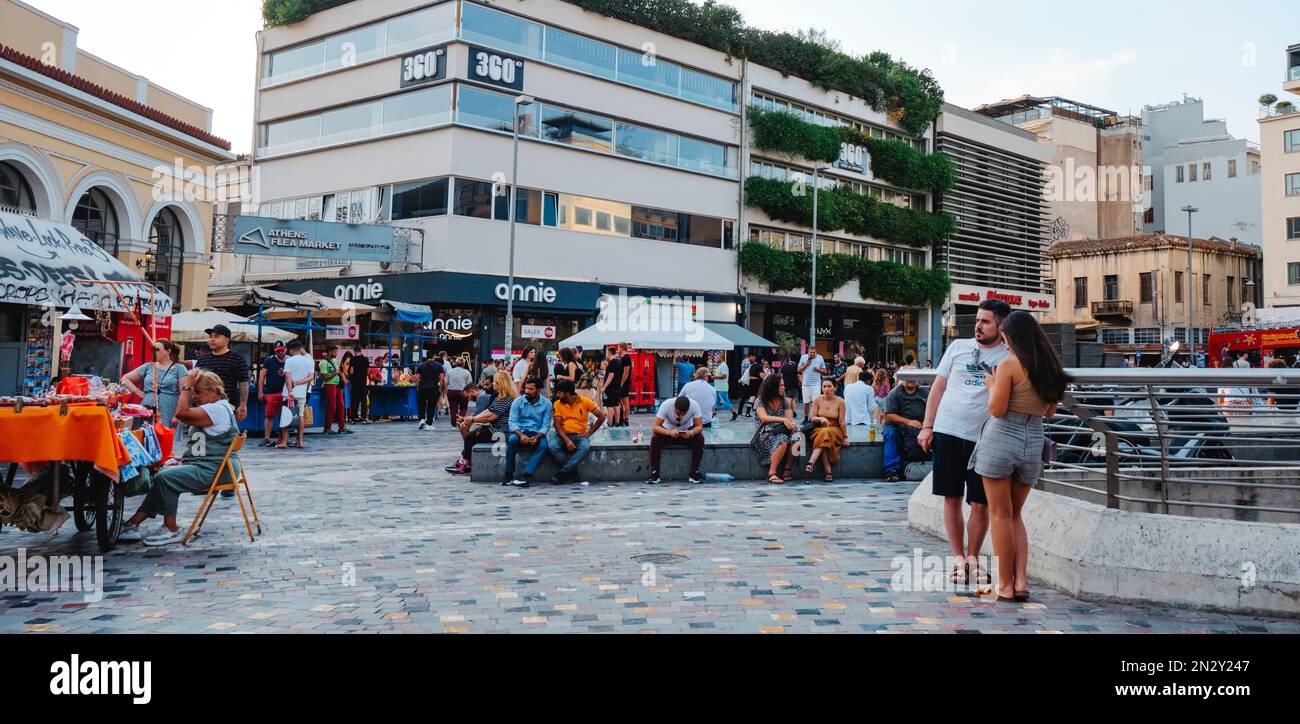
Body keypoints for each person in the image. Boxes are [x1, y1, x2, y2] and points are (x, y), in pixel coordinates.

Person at [972, 310, 1067, 603]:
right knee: (1015, 514)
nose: (1004, 341)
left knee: (999, 513)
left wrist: (992, 385)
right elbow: (1050, 411)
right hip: (1033, 440)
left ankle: (1005, 585)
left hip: (1002, 438)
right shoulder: (1050, 367)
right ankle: (1022, 580)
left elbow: (997, 410)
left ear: (1012, 336)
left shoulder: (1009, 364)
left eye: (1005, 336)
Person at [918, 299, 1012, 587]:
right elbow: (938, 387)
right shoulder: (957, 348)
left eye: (986, 321)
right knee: (951, 498)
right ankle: (958, 558)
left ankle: (973, 557)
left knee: (981, 504)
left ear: (1000, 326)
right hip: (948, 430)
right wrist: (927, 426)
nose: (978, 326)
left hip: (986, 438)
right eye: (978, 320)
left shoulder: (1009, 356)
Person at [118, 369, 241, 546]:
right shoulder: (219, 407)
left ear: (213, 392)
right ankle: (134, 523)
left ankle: (171, 528)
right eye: (192, 392)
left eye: (197, 392)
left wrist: (185, 386)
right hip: (215, 466)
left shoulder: (216, 409)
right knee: (164, 475)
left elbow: (181, 413)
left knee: (165, 478)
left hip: (215, 470)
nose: (194, 396)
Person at [447, 374, 515, 476]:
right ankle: (464, 461)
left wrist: (473, 419)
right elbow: (488, 411)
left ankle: (466, 465)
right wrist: (469, 419)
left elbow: (490, 416)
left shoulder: (506, 399)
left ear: (501, 384)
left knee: (471, 437)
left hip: (501, 432)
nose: (493, 384)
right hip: (495, 428)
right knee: (472, 435)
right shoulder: (500, 397)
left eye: (495, 382)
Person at [186, 324, 249, 425]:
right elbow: (195, 382)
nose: (211, 339)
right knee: (200, 437)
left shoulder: (237, 359)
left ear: (226, 340)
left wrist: (243, 405)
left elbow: (243, 384)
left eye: (216, 336)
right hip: (203, 407)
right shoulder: (203, 359)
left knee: (223, 438)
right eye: (210, 336)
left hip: (226, 407)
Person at [121, 338, 184, 434]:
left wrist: (177, 415)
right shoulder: (148, 366)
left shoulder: (179, 368)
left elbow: (183, 394)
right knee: (145, 436)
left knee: (165, 439)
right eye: (153, 350)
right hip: (147, 407)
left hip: (169, 410)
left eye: (157, 349)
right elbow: (125, 379)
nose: (154, 352)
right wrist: (138, 392)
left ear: (168, 351)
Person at [548, 379, 606, 483]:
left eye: (559, 392)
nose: (557, 394)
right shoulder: (557, 403)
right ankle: (572, 473)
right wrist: (567, 441)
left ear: (567, 393)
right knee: (552, 446)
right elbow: (557, 425)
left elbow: (601, 417)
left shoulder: (584, 401)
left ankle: (563, 472)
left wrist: (589, 433)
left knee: (584, 447)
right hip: (563, 435)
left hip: (580, 434)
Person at [504, 377, 553, 487]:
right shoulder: (518, 401)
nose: (527, 391)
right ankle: (508, 474)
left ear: (539, 390)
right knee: (512, 441)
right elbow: (512, 422)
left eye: (531, 389)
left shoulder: (547, 404)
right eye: (526, 388)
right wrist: (521, 435)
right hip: (519, 431)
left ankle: (526, 474)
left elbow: (546, 425)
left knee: (544, 446)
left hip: (537, 433)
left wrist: (537, 437)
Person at [646, 395, 705, 485]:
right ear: (674, 407)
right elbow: (655, 427)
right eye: (678, 413)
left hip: (686, 432)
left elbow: (699, 427)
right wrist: (669, 432)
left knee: (700, 438)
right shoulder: (666, 405)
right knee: (655, 439)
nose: (680, 416)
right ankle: (655, 472)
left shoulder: (694, 405)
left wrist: (691, 432)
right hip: (668, 431)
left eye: (683, 414)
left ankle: (694, 472)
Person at [882, 373, 930, 482]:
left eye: (913, 377)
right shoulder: (894, 393)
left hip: (920, 425)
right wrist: (909, 422)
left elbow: (931, 410)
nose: (911, 380)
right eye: (908, 377)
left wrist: (926, 424)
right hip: (896, 425)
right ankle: (891, 470)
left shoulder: (925, 392)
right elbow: (889, 415)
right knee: (890, 434)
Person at [753, 373, 797, 484]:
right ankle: (772, 473)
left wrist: (792, 424)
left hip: (781, 430)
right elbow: (763, 418)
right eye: (781, 385)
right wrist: (782, 420)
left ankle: (787, 468)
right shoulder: (760, 400)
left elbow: (789, 417)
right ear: (772, 387)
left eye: (783, 385)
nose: (784, 387)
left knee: (798, 437)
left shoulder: (784, 401)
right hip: (765, 434)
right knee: (782, 439)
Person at [804, 379, 848, 482]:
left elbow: (842, 421)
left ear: (835, 388)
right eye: (824, 386)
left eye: (829, 386)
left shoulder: (840, 401)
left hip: (835, 429)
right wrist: (821, 418)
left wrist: (845, 436)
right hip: (819, 429)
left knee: (826, 434)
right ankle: (828, 473)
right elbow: (813, 418)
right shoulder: (817, 400)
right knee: (825, 436)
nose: (826, 389)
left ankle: (811, 462)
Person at [280, 340, 315, 450]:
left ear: (290, 350)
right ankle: (300, 441)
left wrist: (290, 391)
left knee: (286, 415)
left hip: (289, 393)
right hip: (302, 392)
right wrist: (301, 384)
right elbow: (310, 377)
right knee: (300, 415)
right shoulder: (308, 361)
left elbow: (287, 377)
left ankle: (284, 441)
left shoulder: (289, 361)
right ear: (300, 349)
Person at [254, 343, 288, 447]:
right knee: (269, 415)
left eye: (282, 350)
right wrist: (260, 391)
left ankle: (281, 438)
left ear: (285, 349)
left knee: (283, 416)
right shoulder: (269, 360)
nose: (280, 353)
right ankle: (267, 438)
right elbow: (262, 376)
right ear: (275, 351)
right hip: (271, 392)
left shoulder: (289, 360)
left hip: (284, 392)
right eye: (278, 351)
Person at [318, 346, 350, 435]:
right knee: (331, 407)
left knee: (341, 406)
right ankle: (327, 428)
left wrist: (343, 378)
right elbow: (324, 377)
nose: (336, 354)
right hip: (329, 385)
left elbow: (339, 371)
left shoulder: (335, 361)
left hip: (337, 385)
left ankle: (342, 427)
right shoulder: (323, 363)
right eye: (335, 352)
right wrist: (334, 374)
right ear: (330, 352)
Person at [414, 354, 444, 430]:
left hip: (422, 387)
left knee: (421, 404)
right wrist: (440, 388)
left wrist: (417, 387)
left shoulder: (421, 366)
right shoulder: (439, 366)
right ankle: (429, 424)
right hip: (433, 388)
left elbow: (416, 378)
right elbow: (441, 378)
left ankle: (421, 420)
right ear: (434, 356)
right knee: (431, 406)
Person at [797, 347, 827, 421]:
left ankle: (813, 418)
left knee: (815, 403)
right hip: (806, 384)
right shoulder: (803, 358)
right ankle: (806, 419)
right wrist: (806, 365)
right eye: (811, 352)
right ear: (808, 352)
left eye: (814, 352)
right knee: (806, 402)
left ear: (816, 352)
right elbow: (798, 370)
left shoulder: (820, 358)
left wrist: (818, 369)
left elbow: (825, 371)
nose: (812, 354)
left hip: (816, 384)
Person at [731, 352, 760, 421]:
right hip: (747, 381)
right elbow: (749, 372)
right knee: (748, 396)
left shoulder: (744, 361)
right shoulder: (748, 363)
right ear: (751, 356)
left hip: (745, 381)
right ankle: (744, 412)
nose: (754, 358)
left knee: (750, 397)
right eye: (753, 357)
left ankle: (744, 412)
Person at [445, 357, 473, 428]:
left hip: (451, 391)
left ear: (455, 363)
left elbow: (446, 382)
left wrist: (445, 391)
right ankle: (459, 420)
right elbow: (469, 384)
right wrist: (469, 394)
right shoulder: (466, 372)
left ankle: (453, 425)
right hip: (462, 392)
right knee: (464, 407)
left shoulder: (450, 371)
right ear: (463, 364)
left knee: (453, 408)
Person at [348, 347, 370, 424]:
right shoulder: (365, 359)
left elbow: (351, 371)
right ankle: (364, 418)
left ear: (354, 351)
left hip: (354, 383)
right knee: (364, 401)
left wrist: (350, 377)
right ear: (360, 351)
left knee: (354, 401)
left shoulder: (353, 359)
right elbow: (368, 372)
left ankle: (353, 419)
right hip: (363, 383)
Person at [602, 348, 622, 428]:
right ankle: (617, 422)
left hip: (611, 387)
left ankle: (609, 424)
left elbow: (610, 376)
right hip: (617, 387)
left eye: (607, 353)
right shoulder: (618, 362)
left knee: (609, 405)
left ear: (609, 353)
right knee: (616, 404)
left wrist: (604, 387)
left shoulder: (612, 363)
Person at [618, 343, 633, 425]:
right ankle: (622, 418)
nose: (618, 349)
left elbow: (626, 371)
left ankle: (626, 419)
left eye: (618, 347)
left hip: (624, 383)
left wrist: (622, 382)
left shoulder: (626, 358)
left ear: (621, 348)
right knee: (622, 401)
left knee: (625, 401)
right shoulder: (623, 358)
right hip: (623, 382)